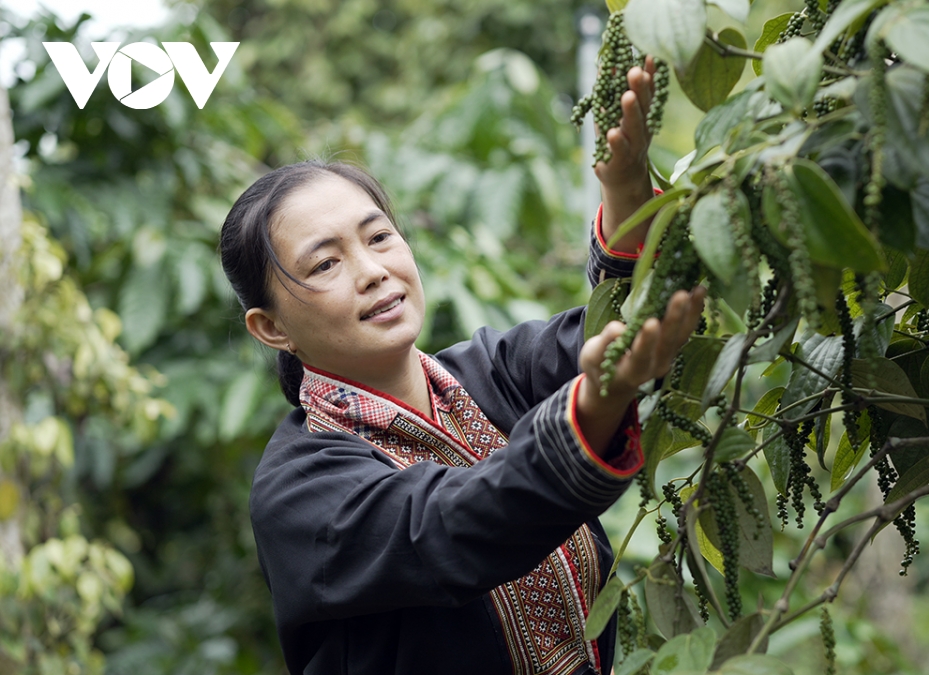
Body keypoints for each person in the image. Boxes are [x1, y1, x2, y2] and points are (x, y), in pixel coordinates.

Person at [219, 60, 704, 674]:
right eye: (325, 264)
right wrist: (596, 404)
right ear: (272, 328)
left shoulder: (491, 372)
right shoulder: (301, 492)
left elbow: (627, 332)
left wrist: (629, 200)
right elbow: (451, 528)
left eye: (379, 237)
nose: (372, 271)